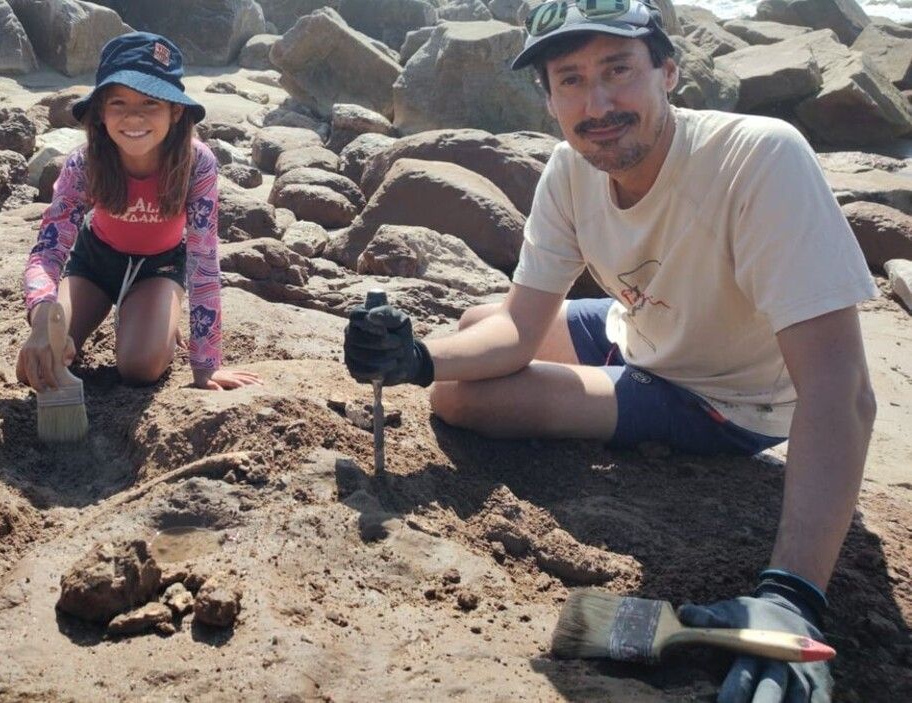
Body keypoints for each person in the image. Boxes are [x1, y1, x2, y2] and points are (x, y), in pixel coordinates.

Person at [343, 2, 877, 701]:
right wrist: (415, 359)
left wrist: (792, 591)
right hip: (641, 327)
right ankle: (587, 388)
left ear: (668, 70)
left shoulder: (759, 158)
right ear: (548, 98)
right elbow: (517, 326)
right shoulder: (570, 170)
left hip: (725, 394)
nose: (596, 103)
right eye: (570, 79)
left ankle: (618, 400)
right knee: (473, 326)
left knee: (466, 395)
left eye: (618, 70)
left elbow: (843, 390)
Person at [19, 32, 260, 392]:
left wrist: (206, 365)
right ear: (101, 111)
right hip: (94, 263)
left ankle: (158, 310)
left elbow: (203, 261)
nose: (133, 117)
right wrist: (41, 317)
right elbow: (47, 252)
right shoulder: (84, 163)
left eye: (150, 103)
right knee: (42, 362)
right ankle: (140, 315)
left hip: (159, 267)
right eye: (118, 103)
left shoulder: (198, 164)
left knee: (140, 367)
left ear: (175, 111)